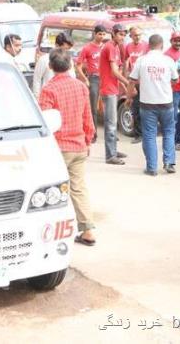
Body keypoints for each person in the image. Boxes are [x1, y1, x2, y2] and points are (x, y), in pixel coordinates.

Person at [39, 49, 97, 246]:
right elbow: (87, 118)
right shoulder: (81, 87)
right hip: (79, 146)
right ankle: (87, 229)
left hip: (58, 149)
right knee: (78, 188)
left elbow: (46, 123)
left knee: (52, 191)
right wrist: (87, 141)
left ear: (50, 66)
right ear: (71, 64)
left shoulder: (48, 90)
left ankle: (51, 232)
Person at [128, 34, 179, 176]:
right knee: (168, 132)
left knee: (149, 135)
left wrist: (128, 97)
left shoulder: (141, 60)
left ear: (148, 45)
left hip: (147, 104)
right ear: (162, 45)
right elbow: (175, 79)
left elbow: (132, 80)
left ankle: (151, 168)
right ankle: (169, 163)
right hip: (166, 103)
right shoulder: (168, 60)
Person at [99, 23, 129, 165]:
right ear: (113, 34)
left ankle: (113, 150)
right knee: (111, 123)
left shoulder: (116, 47)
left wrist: (123, 84)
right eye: (120, 34)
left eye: (124, 35)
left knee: (113, 122)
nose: (122, 37)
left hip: (113, 88)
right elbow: (114, 72)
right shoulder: (110, 47)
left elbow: (116, 71)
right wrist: (128, 83)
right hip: (108, 89)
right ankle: (110, 155)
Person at [77, 25, 107, 143]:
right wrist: (85, 79)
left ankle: (110, 133)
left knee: (107, 107)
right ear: (95, 34)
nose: (102, 36)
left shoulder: (106, 47)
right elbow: (78, 65)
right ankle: (93, 133)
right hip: (93, 79)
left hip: (105, 79)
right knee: (93, 108)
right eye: (100, 34)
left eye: (104, 34)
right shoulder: (87, 48)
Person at [32, 32, 76, 99]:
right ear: (56, 45)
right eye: (65, 49)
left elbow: (72, 77)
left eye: (68, 50)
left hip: (64, 97)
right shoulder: (44, 60)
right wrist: (37, 98)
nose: (66, 52)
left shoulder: (69, 60)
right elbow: (37, 79)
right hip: (48, 97)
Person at [124, 27, 149, 144]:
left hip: (145, 82)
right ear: (131, 36)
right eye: (135, 35)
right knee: (136, 108)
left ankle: (147, 133)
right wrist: (127, 78)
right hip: (134, 82)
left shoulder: (146, 46)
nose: (137, 37)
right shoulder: (128, 47)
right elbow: (126, 62)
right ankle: (138, 134)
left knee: (146, 109)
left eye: (139, 35)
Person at [164, 31, 180, 151]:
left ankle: (178, 138)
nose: (178, 42)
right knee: (172, 117)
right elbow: (166, 73)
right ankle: (172, 142)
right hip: (173, 90)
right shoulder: (167, 55)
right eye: (176, 40)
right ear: (171, 41)